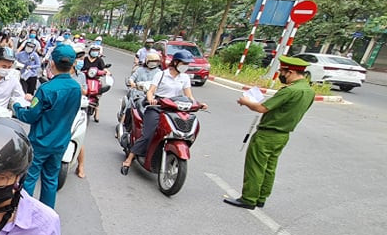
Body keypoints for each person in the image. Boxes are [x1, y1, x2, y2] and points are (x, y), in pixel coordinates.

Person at [225, 55, 315, 209]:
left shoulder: (290, 90)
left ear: (290, 72)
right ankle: (261, 197)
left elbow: (261, 108)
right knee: (270, 167)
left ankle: (248, 198)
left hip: (268, 134)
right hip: (283, 135)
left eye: (282, 71)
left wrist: (246, 102)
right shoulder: (308, 90)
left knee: (256, 166)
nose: (280, 74)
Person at [13, 42, 82, 208]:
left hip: (40, 142)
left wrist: (17, 107)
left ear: (51, 63)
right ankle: (46, 214)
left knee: (29, 178)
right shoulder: (76, 88)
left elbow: (30, 116)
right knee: (51, 180)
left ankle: (24, 212)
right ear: (73, 64)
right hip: (60, 143)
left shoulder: (46, 89)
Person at [121, 51, 207, 175]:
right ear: (176, 62)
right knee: (148, 134)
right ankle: (129, 160)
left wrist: (199, 104)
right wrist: (151, 98)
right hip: (157, 107)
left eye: (188, 64)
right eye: (184, 63)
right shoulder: (161, 75)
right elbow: (151, 91)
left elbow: (189, 97)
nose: (186, 66)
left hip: (174, 109)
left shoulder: (185, 77)